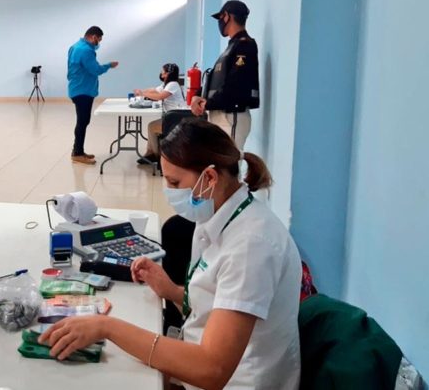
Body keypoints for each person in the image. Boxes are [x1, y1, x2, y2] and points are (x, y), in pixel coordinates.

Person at [39, 120, 302, 389]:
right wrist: (172, 291)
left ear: (209, 178)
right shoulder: (220, 212)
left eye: (175, 182)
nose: (169, 192)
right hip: (205, 360)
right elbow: (219, 300)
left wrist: (107, 327)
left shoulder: (251, 246)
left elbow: (212, 369)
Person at [191, 0, 259, 150]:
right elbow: (220, 81)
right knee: (219, 165)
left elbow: (235, 84)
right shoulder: (231, 48)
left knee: (228, 165)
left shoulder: (244, 45)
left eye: (220, 18)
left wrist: (206, 103)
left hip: (232, 115)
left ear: (227, 16)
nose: (220, 22)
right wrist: (198, 96)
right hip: (221, 114)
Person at [67, 26, 119, 165]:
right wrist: (109, 65)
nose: (99, 43)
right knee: (82, 121)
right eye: (99, 39)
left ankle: (79, 150)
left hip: (77, 88)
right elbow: (95, 70)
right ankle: (77, 153)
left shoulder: (75, 46)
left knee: (83, 121)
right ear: (93, 37)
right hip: (83, 90)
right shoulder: (86, 50)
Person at [134, 62, 185, 163]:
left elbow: (160, 96)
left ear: (168, 73)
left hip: (176, 119)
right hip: (171, 117)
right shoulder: (166, 84)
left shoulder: (173, 84)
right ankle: (150, 153)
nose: (161, 73)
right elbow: (154, 90)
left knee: (152, 126)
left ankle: (155, 155)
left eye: (163, 71)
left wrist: (143, 93)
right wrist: (142, 91)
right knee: (152, 126)